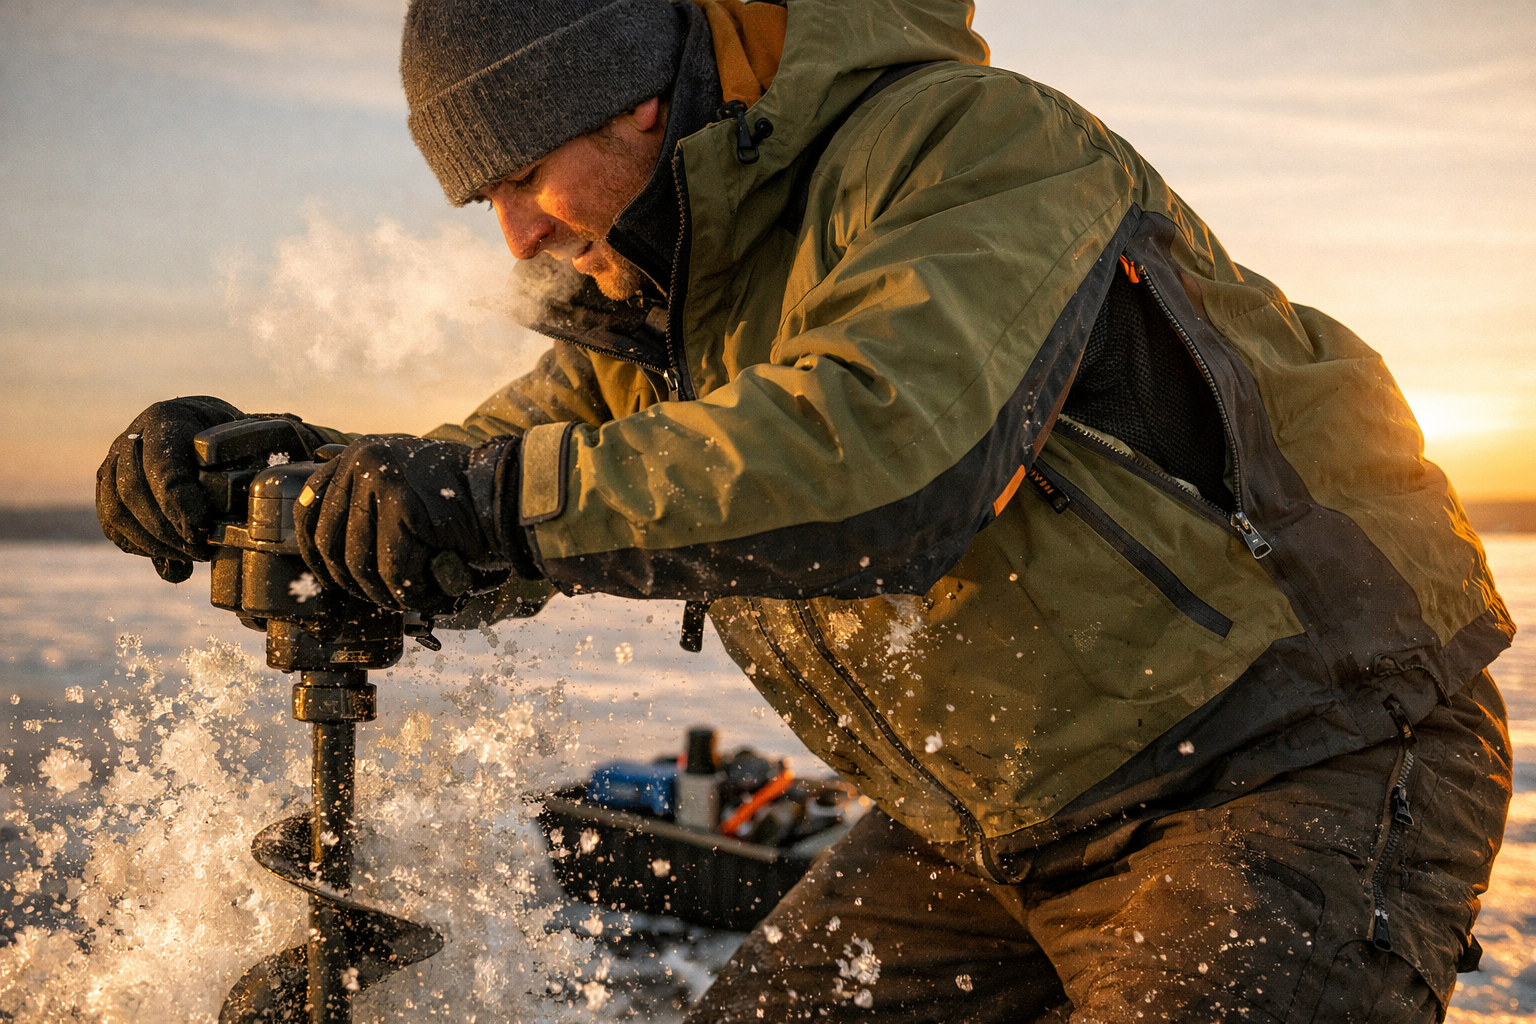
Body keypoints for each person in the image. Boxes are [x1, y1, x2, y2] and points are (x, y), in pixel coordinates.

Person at [97, 1, 1514, 1020]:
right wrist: (280, 479)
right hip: (997, 823)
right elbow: (494, 468)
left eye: (525, 177)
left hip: (1292, 765)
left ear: (639, 99)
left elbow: (885, 455)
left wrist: (476, 501)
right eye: (487, 196)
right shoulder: (667, 300)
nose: (515, 236)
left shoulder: (970, 148)